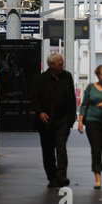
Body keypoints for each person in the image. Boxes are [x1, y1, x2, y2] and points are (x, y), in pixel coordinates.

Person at [30, 53, 76, 188]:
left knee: (61, 147)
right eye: (60, 64)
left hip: (63, 120)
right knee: (48, 150)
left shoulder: (67, 77)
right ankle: (52, 177)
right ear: (51, 65)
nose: (63, 66)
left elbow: (71, 99)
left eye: (62, 63)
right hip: (46, 121)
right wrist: (40, 112)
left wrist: (71, 118)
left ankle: (62, 176)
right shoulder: (40, 79)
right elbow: (33, 98)